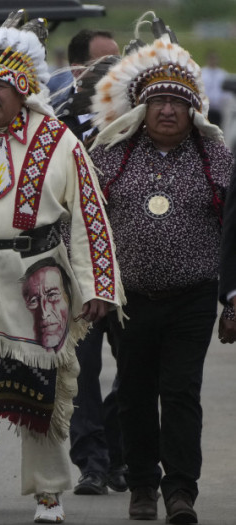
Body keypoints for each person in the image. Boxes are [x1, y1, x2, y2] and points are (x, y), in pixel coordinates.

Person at [0, 12, 123, 525]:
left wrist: (99, 283)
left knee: (45, 384)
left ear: (23, 88)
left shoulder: (59, 140)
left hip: (40, 277)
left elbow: (88, 217)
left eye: (1, 84)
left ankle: (49, 493)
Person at [88, 14, 235, 524]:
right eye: (159, 102)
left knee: (179, 392)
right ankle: (142, 487)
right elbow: (87, 224)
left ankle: (181, 493)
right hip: (128, 302)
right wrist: (93, 288)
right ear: (143, 109)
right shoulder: (111, 157)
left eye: (177, 102)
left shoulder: (216, 158)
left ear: (193, 109)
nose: (168, 109)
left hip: (192, 298)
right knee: (133, 392)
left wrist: (232, 300)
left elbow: (234, 232)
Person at [49, 28, 131, 499]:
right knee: (81, 368)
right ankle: (93, 463)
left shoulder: (136, 119)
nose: (114, 74)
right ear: (78, 70)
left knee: (136, 368)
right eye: (104, 65)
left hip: (134, 267)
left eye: (118, 64)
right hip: (76, 268)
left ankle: (120, 453)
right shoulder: (59, 125)